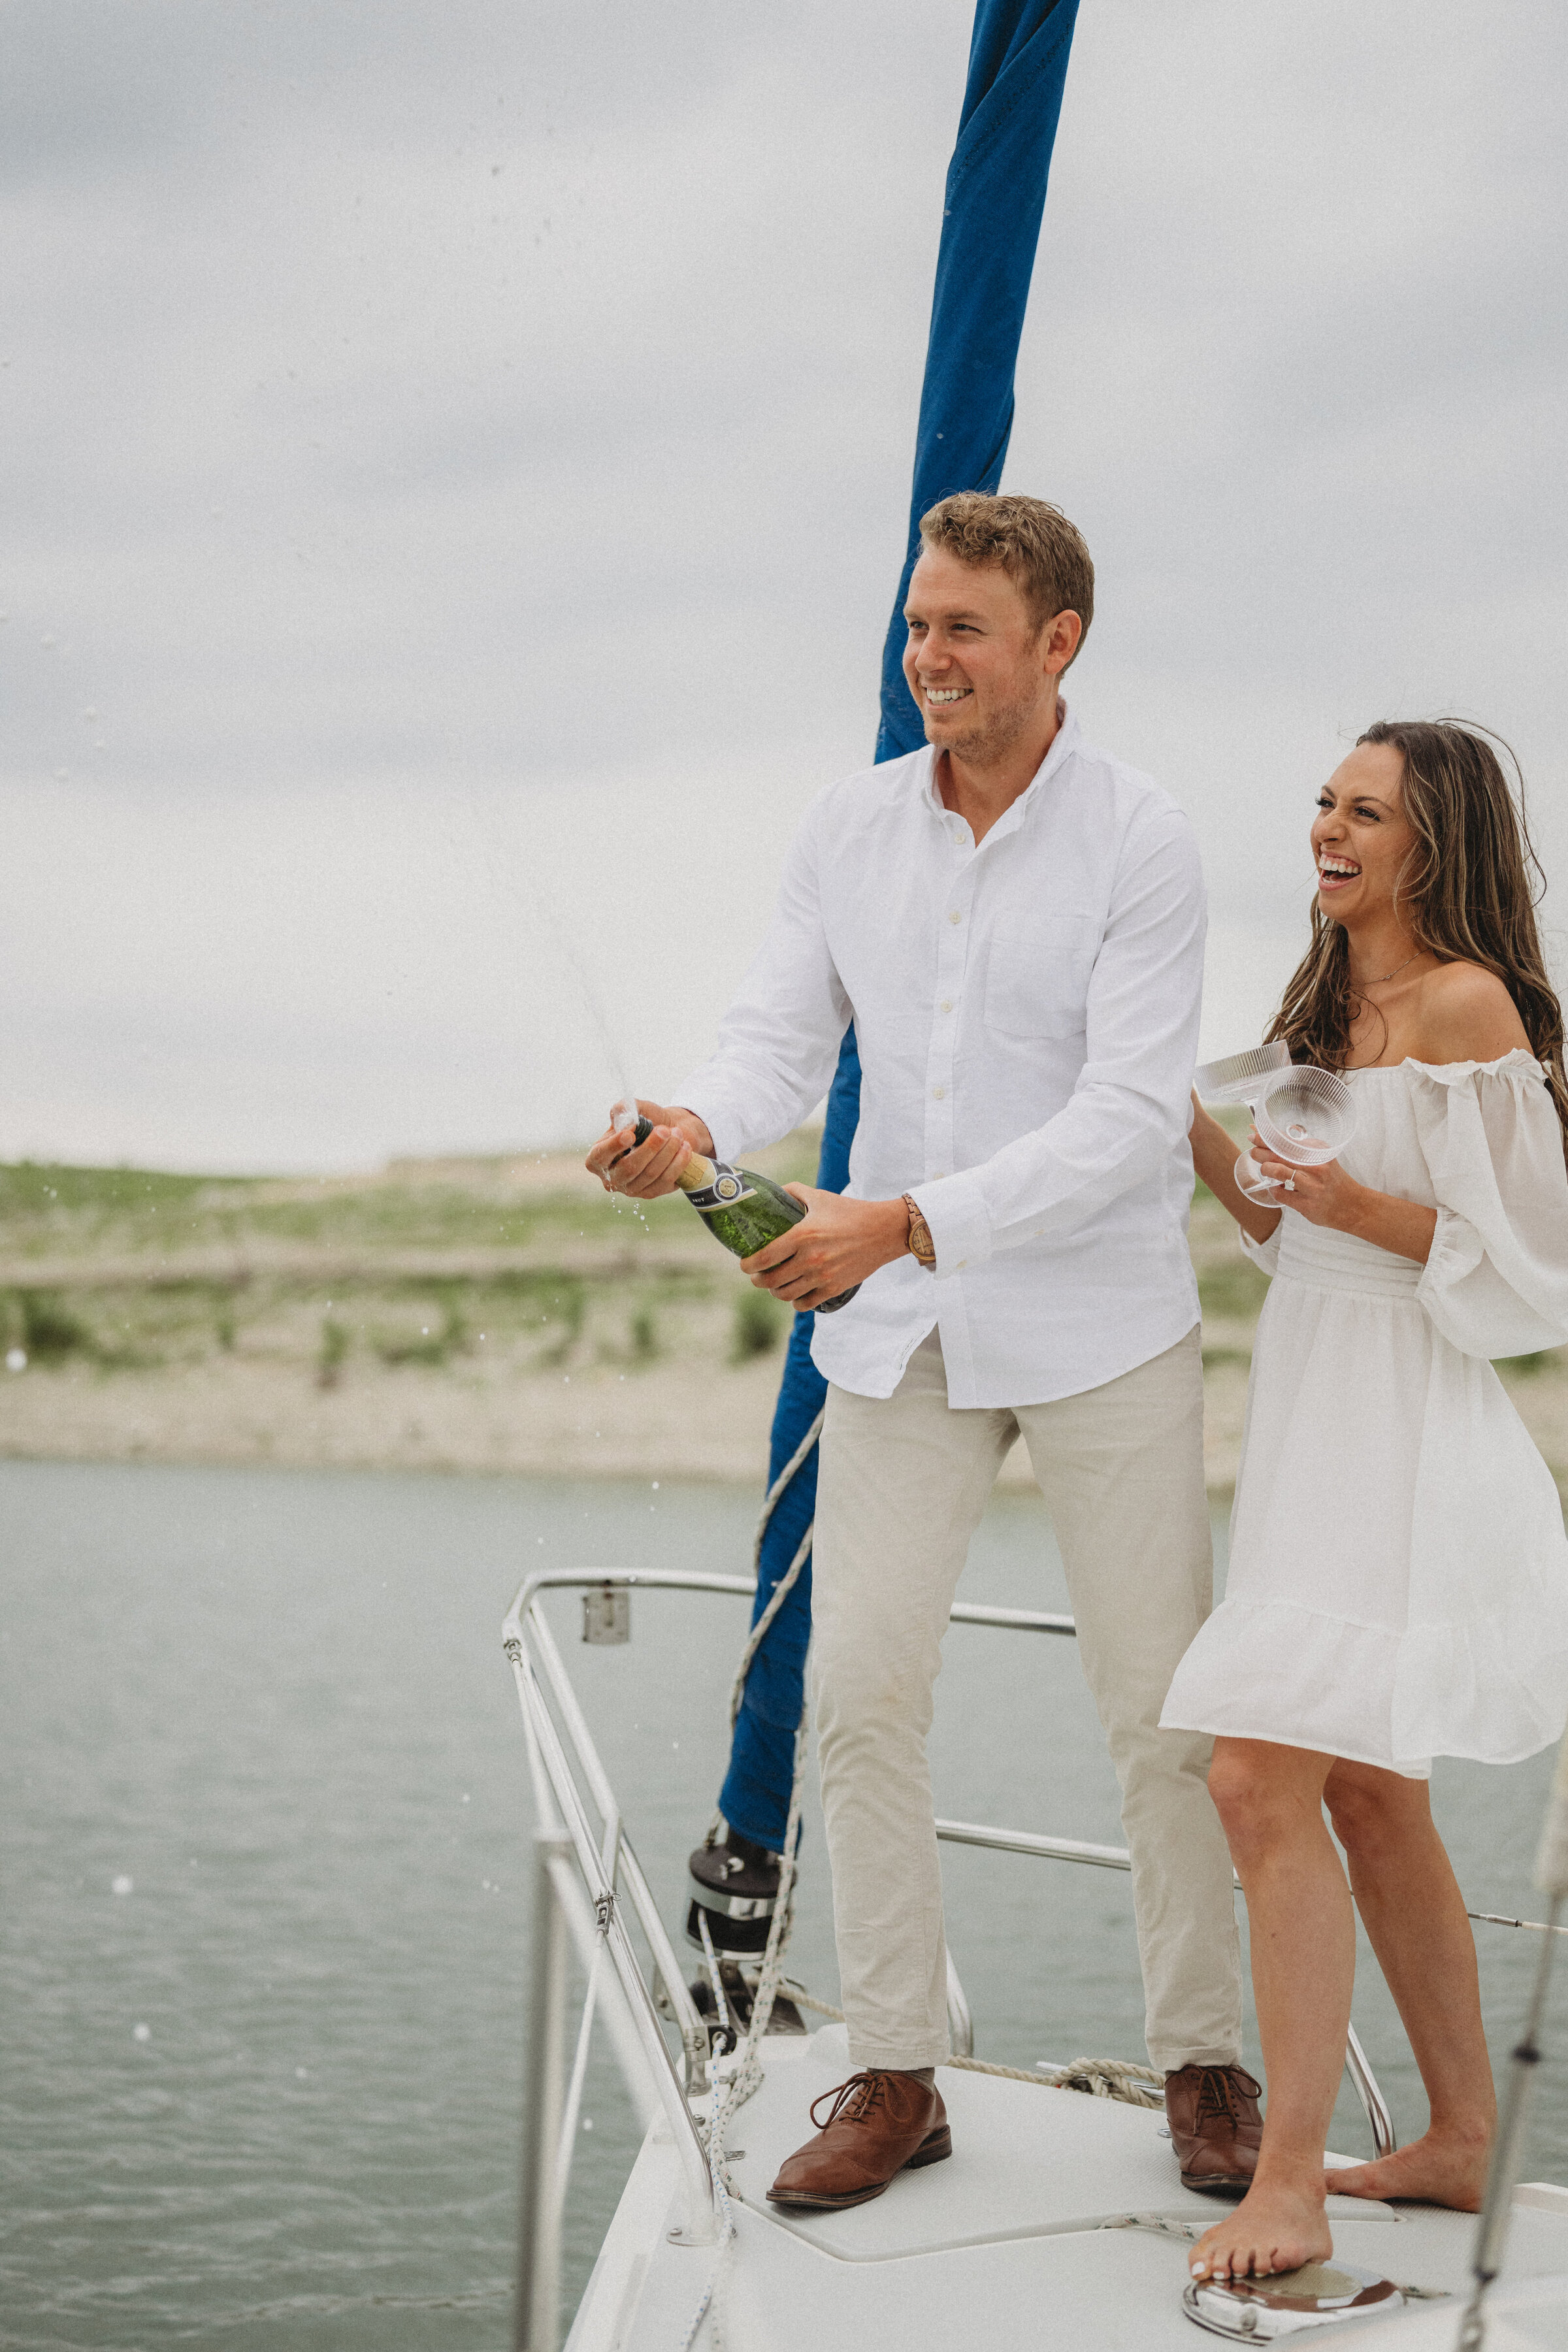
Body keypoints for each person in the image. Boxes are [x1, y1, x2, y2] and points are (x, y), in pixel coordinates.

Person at [589, 489, 1260, 2209]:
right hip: (904, 1339)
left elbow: (1128, 1122)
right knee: (862, 1689)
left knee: (1163, 1719)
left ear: (1058, 643)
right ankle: (898, 2075)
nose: (929, 659)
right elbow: (772, 1042)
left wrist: (899, 1218)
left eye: (964, 629)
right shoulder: (849, 830)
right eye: (916, 625)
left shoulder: (1146, 839)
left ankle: (1207, 2066)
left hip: (1103, 1326)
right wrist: (690, 1124)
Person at [1166, 720, 1568, 2285]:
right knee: (1367, 1794)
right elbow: (1288, 1240)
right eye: (1323, 802)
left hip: (1407, 1425)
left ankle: (1289, 2188)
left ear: (1433, 840)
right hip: (1308, 1406)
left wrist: (1359, 1204)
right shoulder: (1322, 1004)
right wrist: (1186, 1129)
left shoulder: (1468, 1007)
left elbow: (1535, 1264)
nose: (1330, 829)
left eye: (1367, 811)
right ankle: (1461, 2140)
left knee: (1257, 1781)